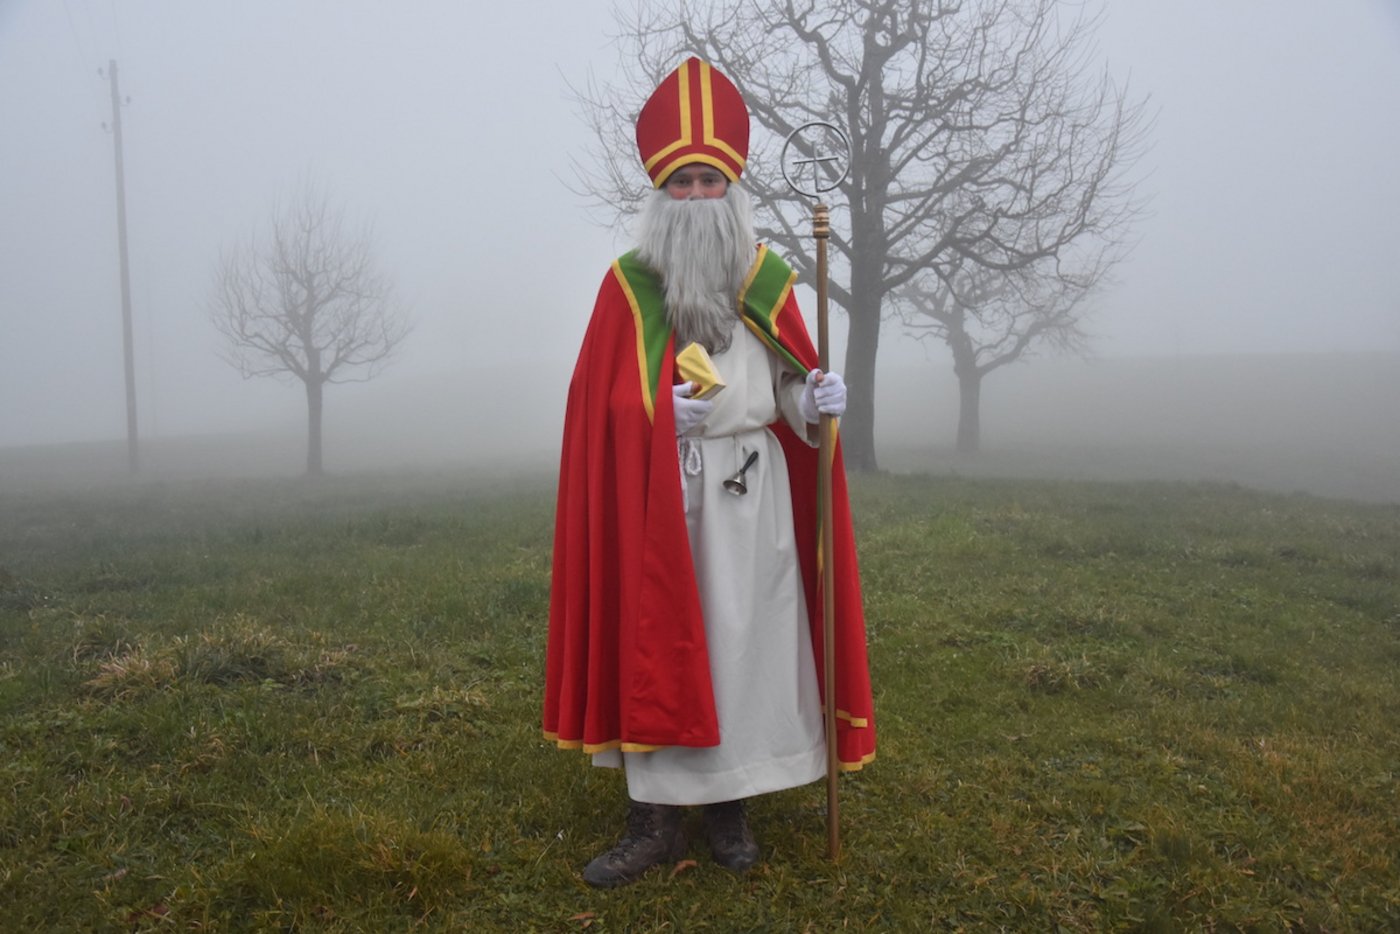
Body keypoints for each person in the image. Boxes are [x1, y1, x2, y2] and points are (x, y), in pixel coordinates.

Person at [542, 57, 875, 888]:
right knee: (664, 641)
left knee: (747, 646)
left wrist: (815, 396)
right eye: (682, 182)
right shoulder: (627, 286)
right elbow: (595, 406)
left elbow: (793, 384)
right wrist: (655, 418)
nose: (695, 196)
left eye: (708, 180)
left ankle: (731, 805)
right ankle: (652, 819)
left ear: (732, 189)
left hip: (753, 491)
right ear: (662, 192)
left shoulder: (766, 278)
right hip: (662, 496)